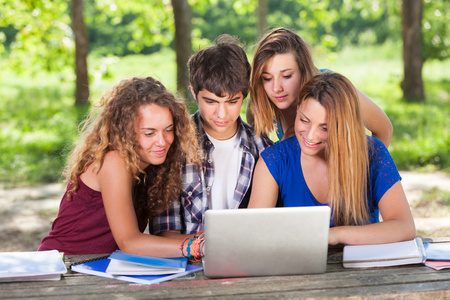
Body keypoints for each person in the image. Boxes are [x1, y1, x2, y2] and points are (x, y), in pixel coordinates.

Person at [38, 77, 205, 258]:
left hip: (98, 270)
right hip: (63, 267)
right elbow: (130, 242)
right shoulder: (113, 160)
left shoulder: (151, 165)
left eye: (168, 129)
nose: (162, 142)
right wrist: (197, 247)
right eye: (149, 133)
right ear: (125, 132)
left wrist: (208, 240)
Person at [248, 72, 416, 245]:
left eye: (325, 128)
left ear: (344, 126)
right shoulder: (274, 161)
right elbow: (252, 234)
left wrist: (334, 235)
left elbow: (404, 227)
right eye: (304, 120)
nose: (311, 136)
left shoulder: (374, 153)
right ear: (297, 107)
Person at [151, 35, 273, 236]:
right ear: (193, 92)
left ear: (245, 95)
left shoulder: (263, 149)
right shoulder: (171, 145)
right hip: (188, 261)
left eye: (232, 102)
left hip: (246, 260)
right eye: (211, 102)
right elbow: (165, 229)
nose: (222, 114)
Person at [247, 27, 393, 146]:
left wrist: (369, 176)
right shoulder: (260, 100)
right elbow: (262, 150)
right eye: (267, 78)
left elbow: (384, 129)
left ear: (303, 70)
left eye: (286, 76)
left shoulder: (333, 89)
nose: (276, 88)